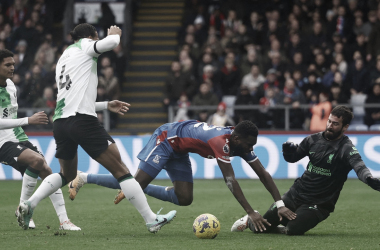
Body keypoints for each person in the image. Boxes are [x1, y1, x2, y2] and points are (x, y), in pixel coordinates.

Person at [16, 23, 176, 233]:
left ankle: (30, 204)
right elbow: (110, 43)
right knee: (122, 170)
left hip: (61, 122)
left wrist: (106, 105)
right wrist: (115, 35)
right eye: (96, 37)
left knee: (67, 173)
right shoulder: (85, 45)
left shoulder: (64, 57)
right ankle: (151, 220)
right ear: (91, 36)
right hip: (82, 121)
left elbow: (74, 97)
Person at [68, 120, 296, 232]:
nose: (250, 149)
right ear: (237, 140)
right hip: (166, 139)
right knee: (134, 184)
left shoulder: (239, 142)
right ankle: (84, 177)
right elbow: (230, 180)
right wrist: (251, 212)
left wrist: (279, 203)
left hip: (180, 149)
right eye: (249, 144)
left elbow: (263, 173)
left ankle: (138, 188)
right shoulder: (222, 143)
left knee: (184, 198)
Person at [231, 105, 380, 235]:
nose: (329, 126)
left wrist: (368, 178)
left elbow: (359, 166)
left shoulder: (347, 149)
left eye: (335, 124)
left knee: (293, 230)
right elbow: (292, 159)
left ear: (345, 127)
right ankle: (250, 218)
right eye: (329, 121)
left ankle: (288, 224)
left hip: (320, 203)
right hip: (295, 194)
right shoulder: (313, 140)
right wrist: (288, 152)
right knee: (260, 228)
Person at [0, 49, 80, 230]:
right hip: (1, 142)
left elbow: (10, 116)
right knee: (36, 161)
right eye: (7, 65)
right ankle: (24, 207)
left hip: (17, 136)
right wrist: (28, 120)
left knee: (47, 171)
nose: (12, 67)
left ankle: (64, 221)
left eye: (13, 64)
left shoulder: (11, 86)